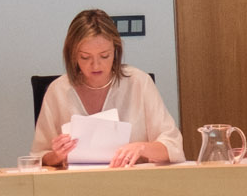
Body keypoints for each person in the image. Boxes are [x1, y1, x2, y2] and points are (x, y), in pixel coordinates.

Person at [34, 9, 182, 167]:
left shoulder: (139, 83)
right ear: (73, 55)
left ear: (116, 51)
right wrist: (57, 155)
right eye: (85, 57)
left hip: (132, 180)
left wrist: (142, 148)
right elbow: (38, 156)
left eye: (104, 56)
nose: (96, 65)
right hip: (76, 181)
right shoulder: (58, 90)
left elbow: (173, 146)